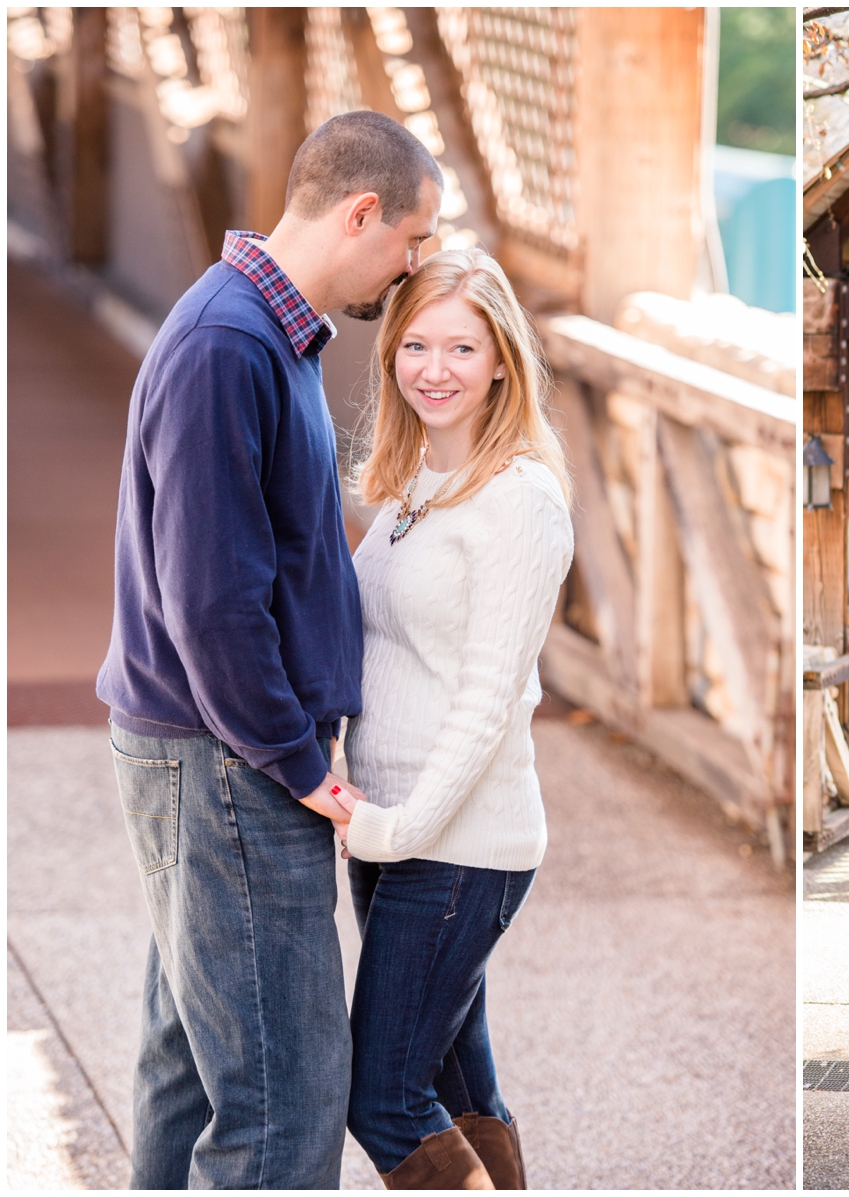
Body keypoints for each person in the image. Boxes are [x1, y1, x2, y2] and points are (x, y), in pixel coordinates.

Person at [97, 111, 440, 1189]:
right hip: (229, 764)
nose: (413, 265)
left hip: (209, 758)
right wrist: (301, 764)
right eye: (412, 239)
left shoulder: (260, 332)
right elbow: (213, 604)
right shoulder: (227, 345)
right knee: (284, 1103)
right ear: (361, 212)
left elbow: (280, 539)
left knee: (193, 1069)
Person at [334, 247, 573, 1189]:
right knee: (455, 1086)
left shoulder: (521, 500)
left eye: (463, 348)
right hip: (392, 831)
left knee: (384, 1095)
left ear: (502, 360)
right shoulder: (408, 486)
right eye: (417, 344)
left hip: (457, 844)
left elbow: (487, 702)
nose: (435, 368)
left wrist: (393, 828)